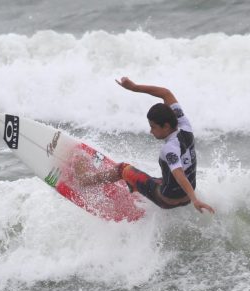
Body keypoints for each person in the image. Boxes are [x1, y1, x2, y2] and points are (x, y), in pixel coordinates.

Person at [84, 77, 215, 214]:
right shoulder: (184, 125)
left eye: (153, 127)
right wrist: (134, 88)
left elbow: (179, 174)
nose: (150, 131)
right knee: (157, 180)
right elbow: (166, 93)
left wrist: (195, 200)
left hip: (166, 199)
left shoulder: (170, 148)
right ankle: (134, 188)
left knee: (122, 168)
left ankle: (84, 181)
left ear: (166, 126)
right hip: (185, 196)